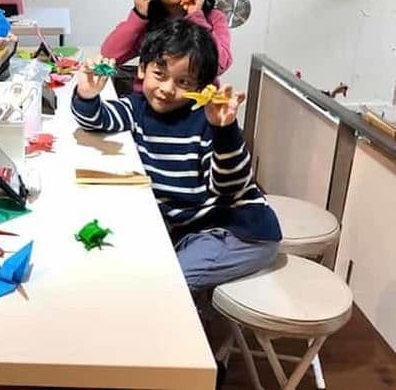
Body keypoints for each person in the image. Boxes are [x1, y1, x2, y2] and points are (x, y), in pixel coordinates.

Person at [73, 19, 280, 292]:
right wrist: (87, 95)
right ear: (142, 70)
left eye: (184, 82)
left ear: (202, 87)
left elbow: (229, 187)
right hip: (191, 227)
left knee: (163, 288)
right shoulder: (138, 108)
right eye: (160, 74)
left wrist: (225, 130)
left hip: (235, 231)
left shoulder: (208, 122)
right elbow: (98, 120)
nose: (168, 89)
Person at [101, 0, 232, 92]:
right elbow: (108, 56)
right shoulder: (148, 22)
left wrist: (196, 16)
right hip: (152, 101)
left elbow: (219, 65)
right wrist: (139, 15)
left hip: (196, 104)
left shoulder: (214, 17)